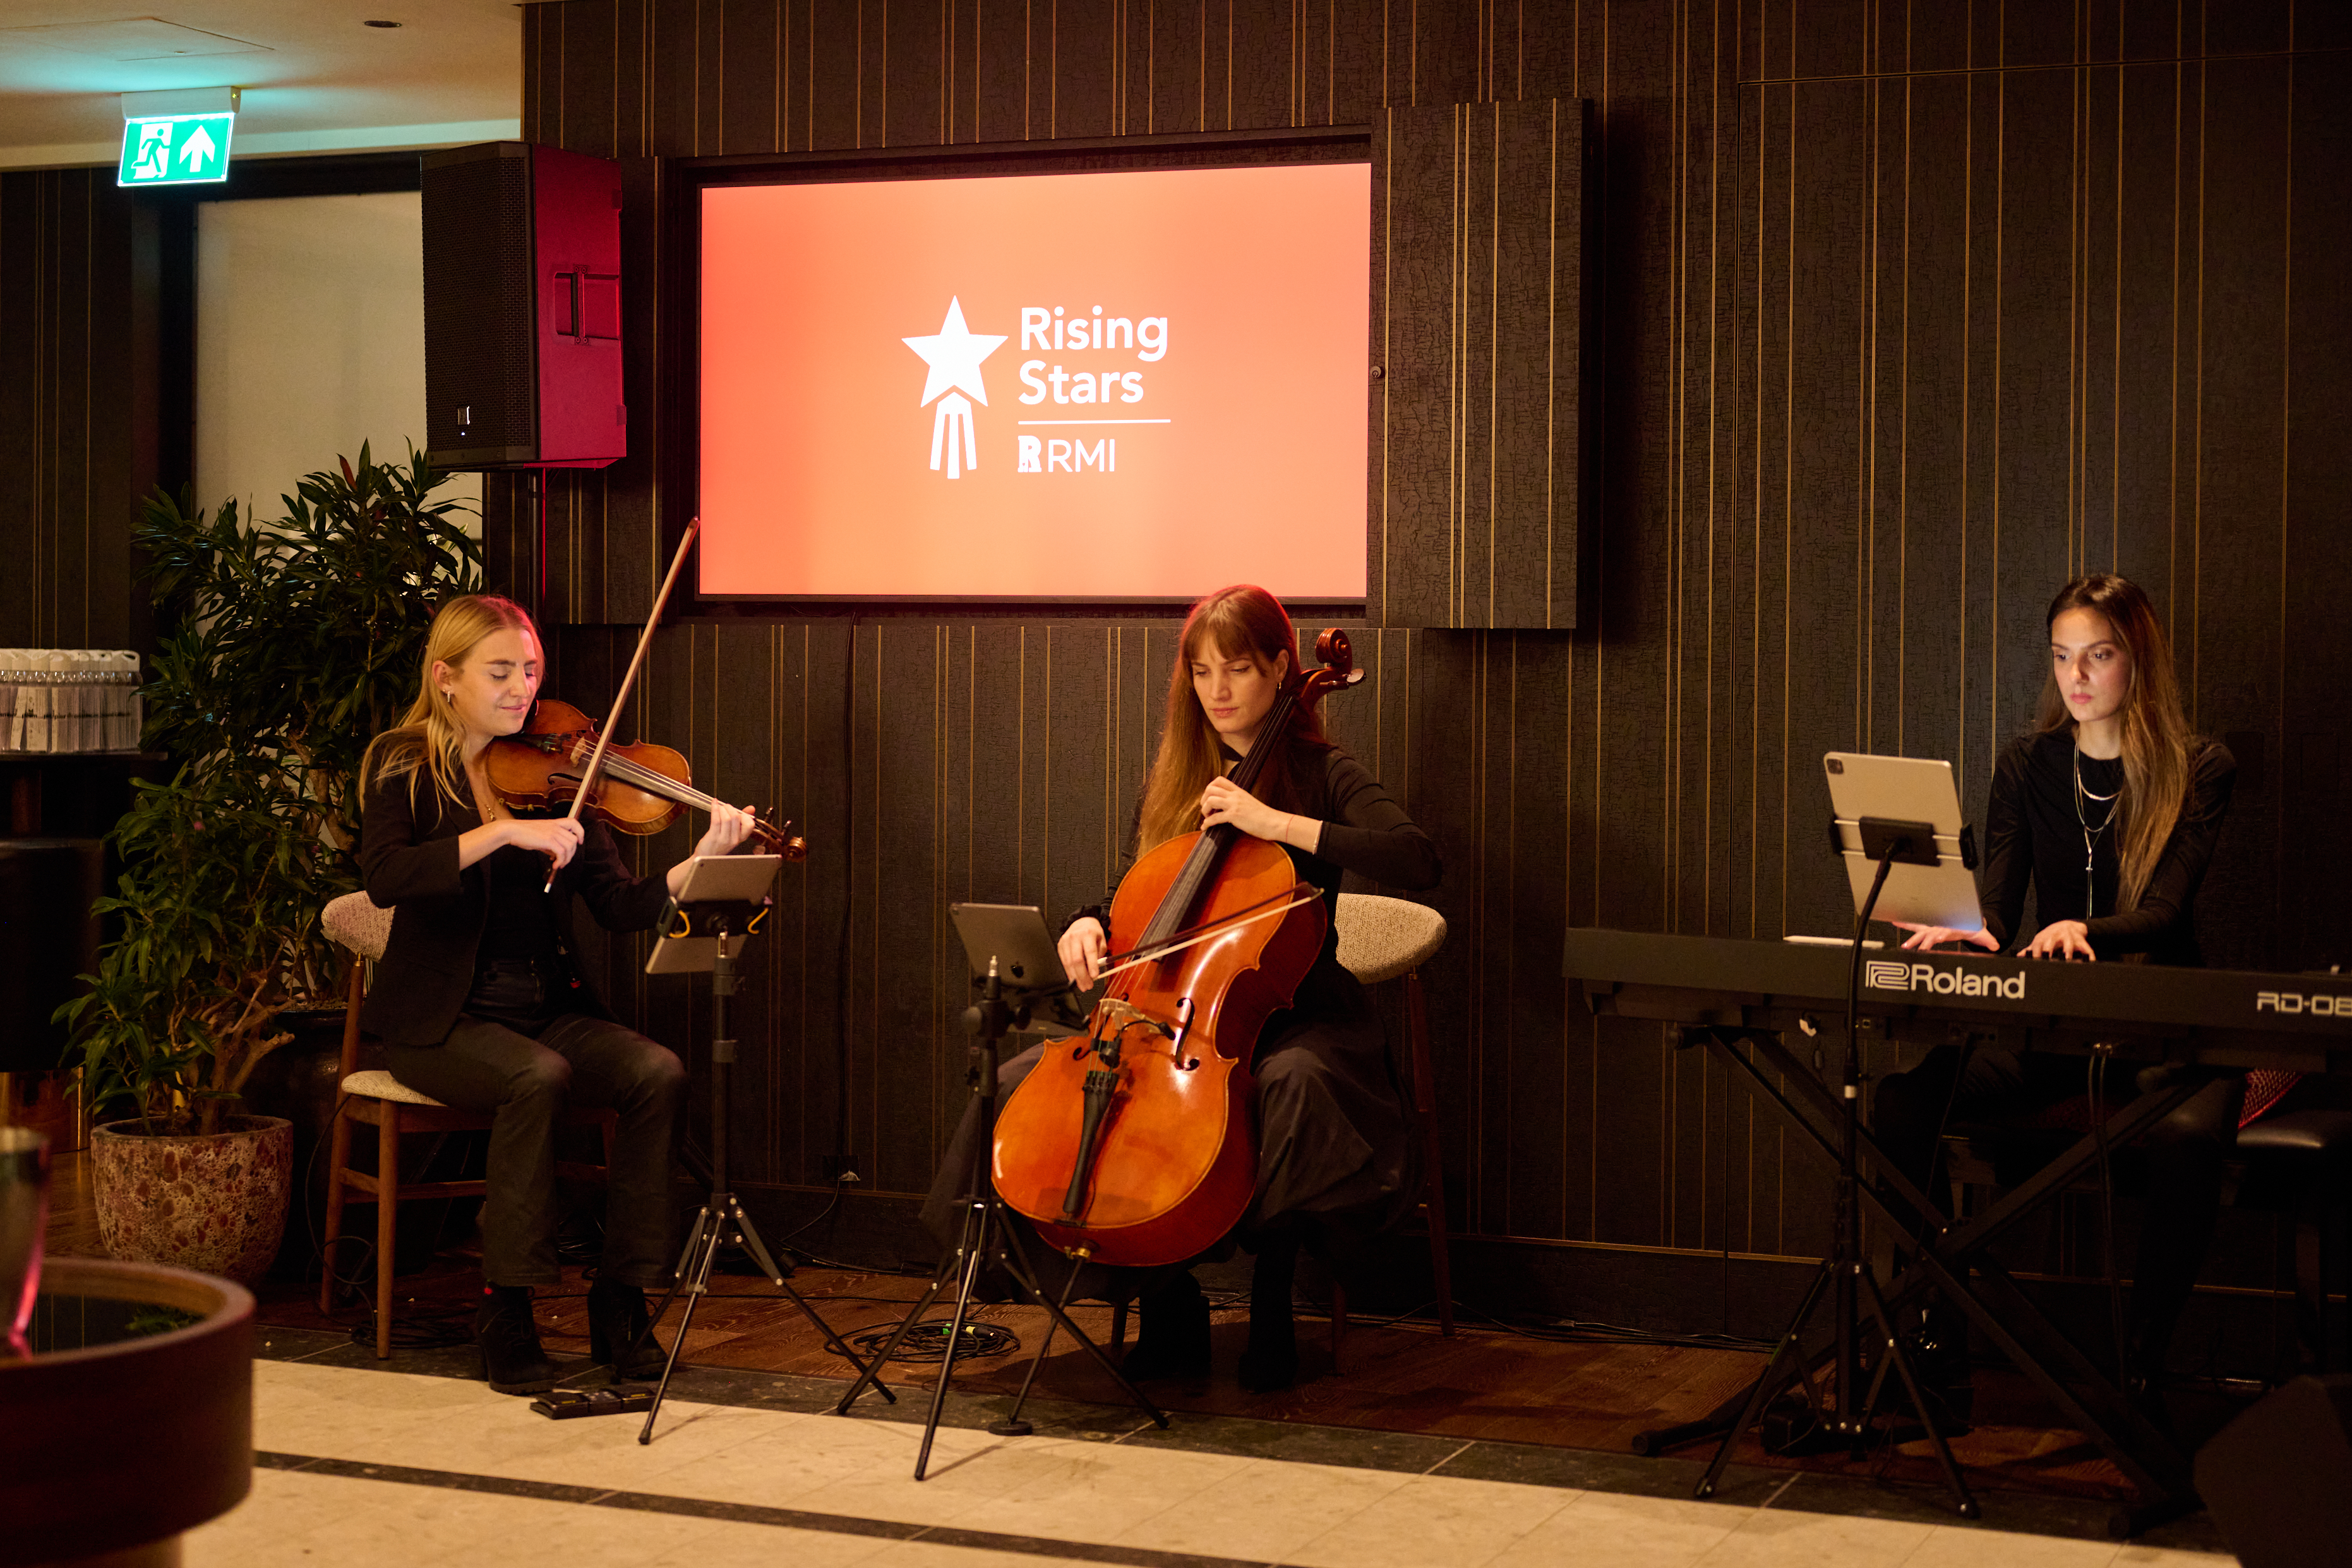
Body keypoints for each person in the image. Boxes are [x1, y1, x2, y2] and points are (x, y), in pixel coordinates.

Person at [927, 584, 1441, 1392]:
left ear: (1281, 668)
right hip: (1169, 1022)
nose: (1220, 690)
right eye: (1202, 673)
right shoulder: (1179, 777)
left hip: (1299, 1017)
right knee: (1021, 1086)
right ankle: (1169, 1298)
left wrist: (1277, 825)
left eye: (1238, 668)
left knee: (1295, 1088)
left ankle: (1272, 1296)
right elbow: (1135, 895)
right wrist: (1083, 923)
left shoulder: (1319, 769)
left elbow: (1417, 858)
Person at [357, 595, 754, 1394]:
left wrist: (696, 867)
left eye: (531, 671)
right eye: (500, 671)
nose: (522, 689)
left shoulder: (567, 771)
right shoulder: (403, 767)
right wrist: (502, 832)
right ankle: (505, 1306)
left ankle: (622, 1297)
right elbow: (386, 876)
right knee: (532, 1076)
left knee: (656, 1072)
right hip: (443, 1018)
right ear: (446, 678)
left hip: (545, 1004)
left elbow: (616, 904)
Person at [1873, 573, 2236, 1416]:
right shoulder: (2026, 764)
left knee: (2187, 1139)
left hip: (2163, 1030)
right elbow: (2000, 909)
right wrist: (1966, 926)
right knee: (1903, 1102)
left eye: (2099, 655)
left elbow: (2163, 912)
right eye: (2064, 656)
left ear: (2136, 662)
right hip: (2051, 1029)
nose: (2077, 676)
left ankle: (2137, 1374)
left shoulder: (2199, 765)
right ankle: (1936, 1341)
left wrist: (2084, 928)